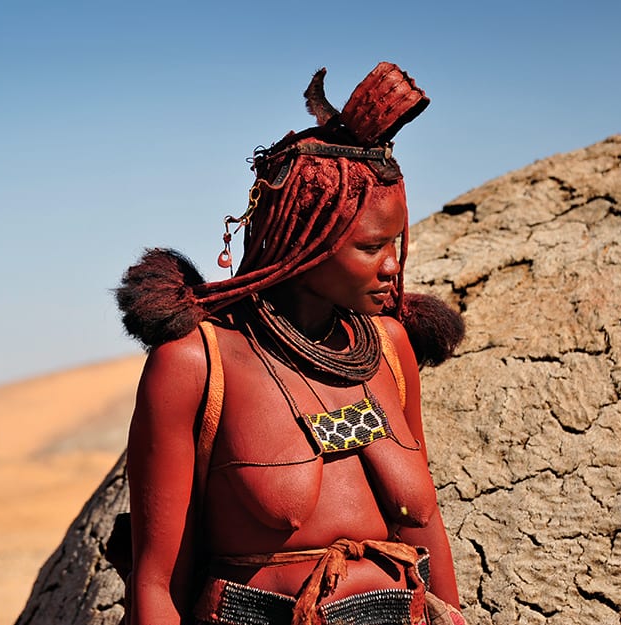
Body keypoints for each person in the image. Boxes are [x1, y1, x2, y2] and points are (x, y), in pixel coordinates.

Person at [116, 62, 466, 625]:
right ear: (307, 240)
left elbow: (424, 531)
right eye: (371, 247)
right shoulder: (197, 363)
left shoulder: (389, 349)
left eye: (396, 242)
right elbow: (157, 581)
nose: (393, 268)